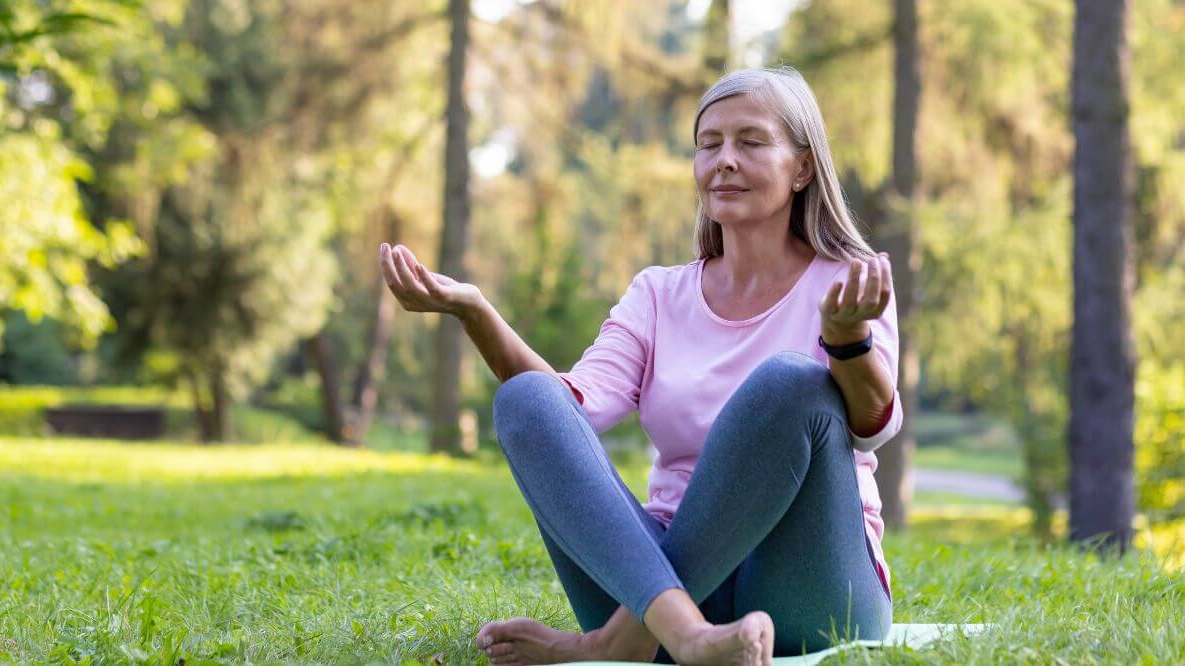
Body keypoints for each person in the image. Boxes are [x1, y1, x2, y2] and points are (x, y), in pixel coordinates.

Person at [379, 66, 900, 665]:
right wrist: (475, 312)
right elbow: (573, 408)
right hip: (661, 585)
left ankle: (616, 643)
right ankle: (686, 635)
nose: (724, 160)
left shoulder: (849, 280)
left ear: (803, 167)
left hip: (809, 589)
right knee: (526, 398)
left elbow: (874, 427)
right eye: (709, 145)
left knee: (790, 383)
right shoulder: (657, 295)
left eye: (751, 142)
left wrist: (845, 340)